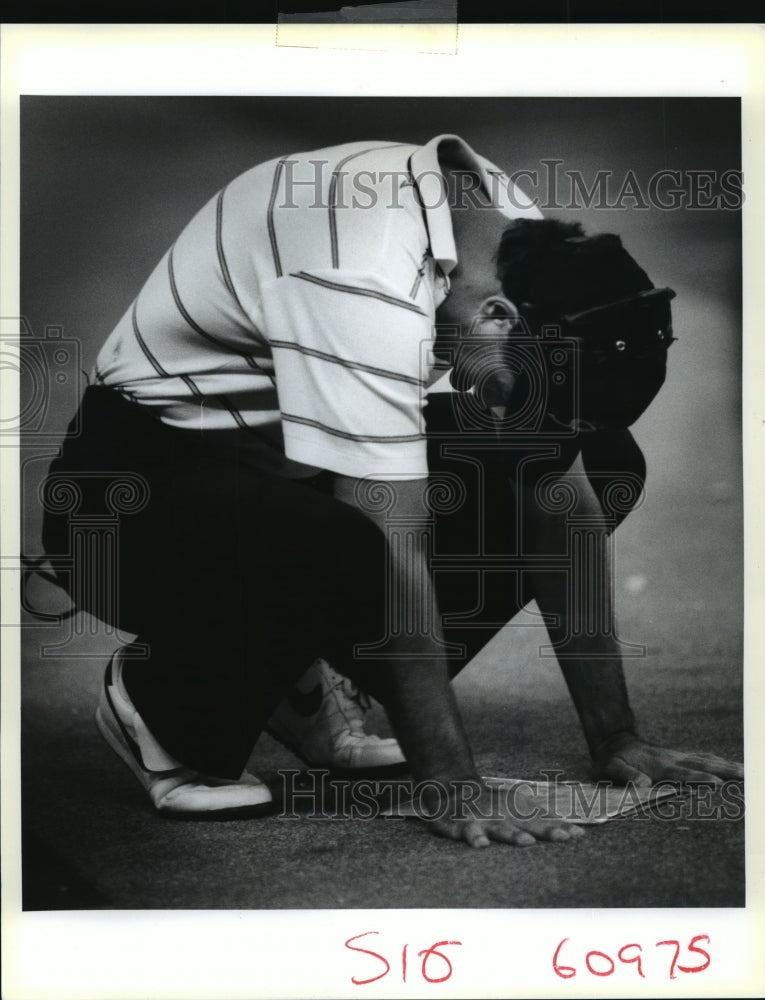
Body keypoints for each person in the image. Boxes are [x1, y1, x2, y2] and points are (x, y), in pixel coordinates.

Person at [41, 134, 742, 847]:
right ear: (497, 317)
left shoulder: (511, 235)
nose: (497, 410)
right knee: (350, 542)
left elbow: (563, 507)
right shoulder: (359, 269)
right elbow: (392, 542)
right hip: (133, 492)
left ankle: (297, 679)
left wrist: (617, 739)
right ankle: (166, 702)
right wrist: (451, 786)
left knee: (606, 464)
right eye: (510, 392)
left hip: (280, 463)